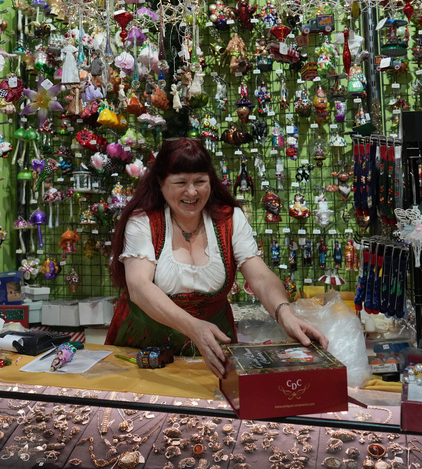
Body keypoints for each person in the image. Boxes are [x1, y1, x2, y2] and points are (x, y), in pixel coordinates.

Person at [106, 138, 328, 378]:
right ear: (160, 183)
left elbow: (261, 276)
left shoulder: (229, 219)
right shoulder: (143, 221)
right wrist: (193, 327)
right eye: (180, 182)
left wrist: (285, 313)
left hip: (214, 349)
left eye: (200, 181)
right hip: (143, 347)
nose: (192, 192)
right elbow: (139, 286)